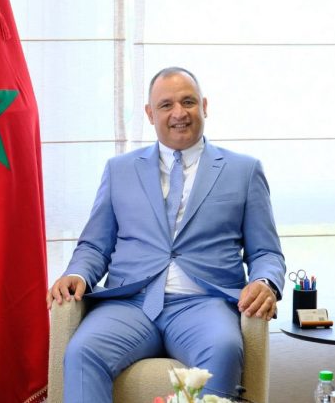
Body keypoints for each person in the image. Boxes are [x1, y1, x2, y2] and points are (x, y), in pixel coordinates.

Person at [47, 67, 286, 401]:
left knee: (224, 348)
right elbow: (95, 246)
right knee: (82, 352)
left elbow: (266, 252)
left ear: (204, 106)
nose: (179, 113)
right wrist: (77, 274)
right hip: (130, 303)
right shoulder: (119, 170)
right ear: (149, 113)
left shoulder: (244, 170)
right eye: (166, 105)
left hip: (205, 303)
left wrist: (265, 282)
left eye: (188, 102)